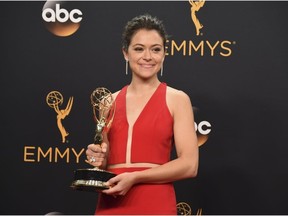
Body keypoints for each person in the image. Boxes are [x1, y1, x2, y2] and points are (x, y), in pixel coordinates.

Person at [86, 13, 199, 215]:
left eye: (155, 49)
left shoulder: (177, 99)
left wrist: (135, 177)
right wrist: (97, 159)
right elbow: (104, 164)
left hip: (155, 204)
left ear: (164, 54)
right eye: (139, 49)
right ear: (125, 53)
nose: (147, 56)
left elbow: (189, 165)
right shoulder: (107, 102)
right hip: (111, 204)